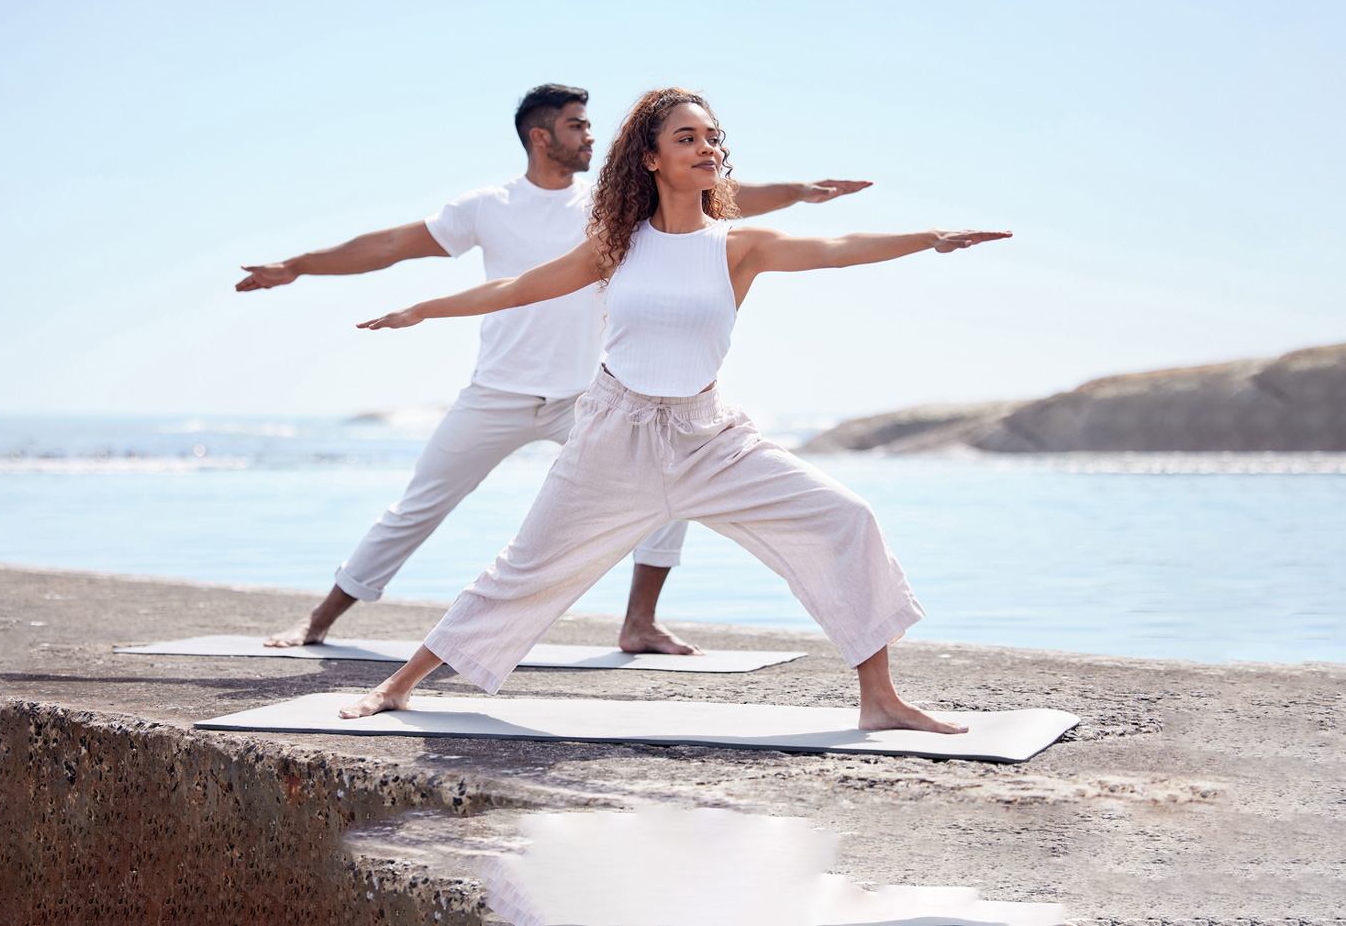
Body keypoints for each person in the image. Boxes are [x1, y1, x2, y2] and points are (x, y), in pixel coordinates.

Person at [338, 88, 1011, 732]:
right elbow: (520, 288)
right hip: (614, 436)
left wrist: (929, 237)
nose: (706, 147)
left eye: (713, 137)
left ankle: (880, 699)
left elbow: (839, 250)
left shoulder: (738, 247)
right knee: (526, 566)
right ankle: (398, 684)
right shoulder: (617, 244)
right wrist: (424, 308)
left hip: (708, 436)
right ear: (651, 158)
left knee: (846, 518)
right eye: (686, 137)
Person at [237, 83, 871, 656]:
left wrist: (798, 192)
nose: (590, 135)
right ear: (541, 137)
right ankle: (320, 620)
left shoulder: (610, 205)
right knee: (419, 506)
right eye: (576, 126)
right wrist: (297, 265)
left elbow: (714, 194)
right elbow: (389, 246)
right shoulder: (486, 206)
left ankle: (639, 623)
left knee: (671, 489)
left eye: (591, 125)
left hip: (589, 398)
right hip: (498, 391)